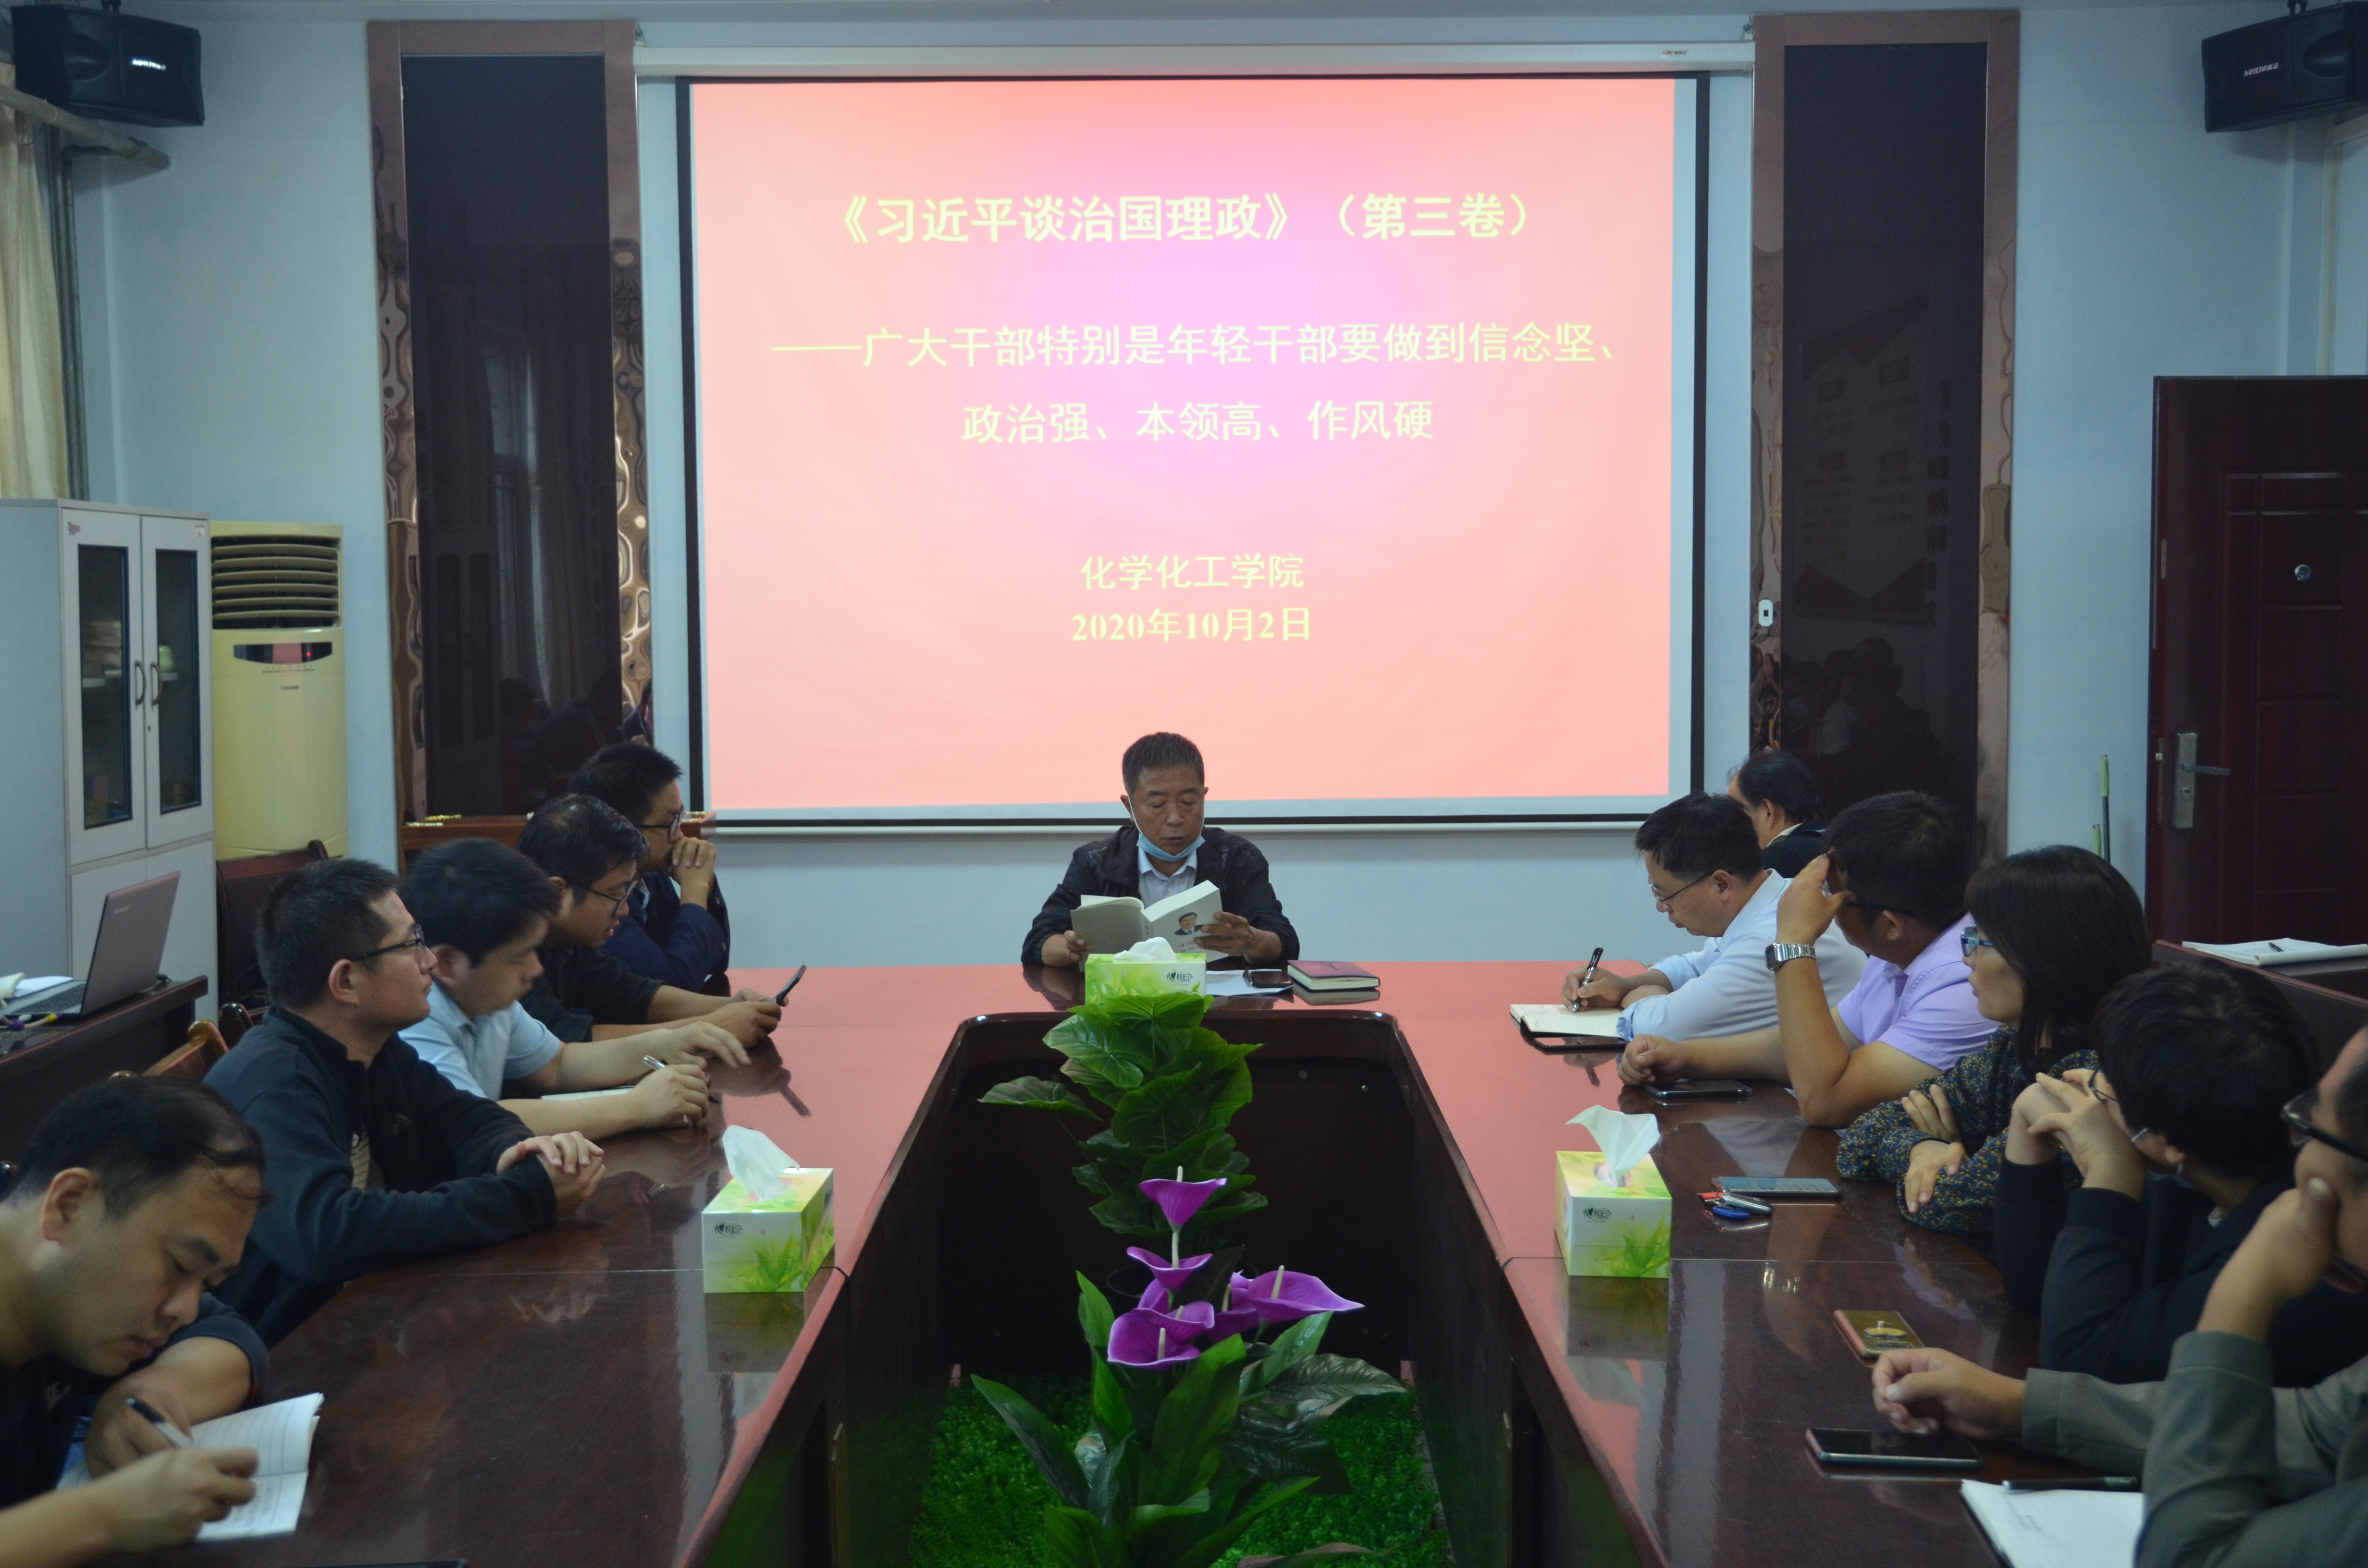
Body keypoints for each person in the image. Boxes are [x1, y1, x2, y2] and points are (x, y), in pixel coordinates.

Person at [1869, 1029, 2368, 1566]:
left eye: (2310, 1125)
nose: (2299, 1156)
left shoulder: (2294, 1273)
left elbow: (2187, 1557)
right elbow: (2307, 1430)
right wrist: (2017, 1409)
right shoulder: (2182, 1188)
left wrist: (2241, 1298)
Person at [205, 858, 606, 1342]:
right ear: (346, 982)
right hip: (283, 1349)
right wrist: (526, 1196)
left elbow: (469, 1120)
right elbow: (329, 1236)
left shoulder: (377, 1051)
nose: (429, 962)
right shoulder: (274, 1082)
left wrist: (518, 1154)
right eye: (411, 944)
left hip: (374, 1321)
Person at [1994, 963, 2368, 1386]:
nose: (2092, 1091)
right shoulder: (2194, 1169)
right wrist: (2028, 1141)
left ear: (2167, 1139)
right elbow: (2034, 1295)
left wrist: (2109, 1172)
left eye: (2106, 1081)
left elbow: (2077, 1357)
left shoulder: (2311, 1257)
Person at [0, 1079, 272, 1565]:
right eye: (180, 1267)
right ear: (69, 1206)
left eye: (207, 1283)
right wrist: (102, 1517)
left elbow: (227, 1333)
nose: (185, 1309)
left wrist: (151, 1391)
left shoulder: (62, 1301)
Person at [1618, 791, 1994, 1127]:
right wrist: (1686, 1057)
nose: (1820, 900)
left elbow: (1826, 1103)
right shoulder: (1901, 950)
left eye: (1831, 891)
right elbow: (1802, 1047)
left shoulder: (1964, 984)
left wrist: (1794, 941)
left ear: (1891, 925)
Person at [1834, 844, 2150, 1238]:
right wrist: (1923, 1149)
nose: (1967, 958)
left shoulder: (2091, 1079)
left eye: (1980, 941)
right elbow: (1862, 1137)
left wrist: (1950, 1166)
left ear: (2039, 957)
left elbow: (1946, 1204)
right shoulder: (2014, 1047)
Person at [398, 838, 750, 1142]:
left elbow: (557, 1064)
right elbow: (473, 1121)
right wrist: (636, 1106)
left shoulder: (483, 995)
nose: (536, 970)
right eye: (519, 958)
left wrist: (668, 1042)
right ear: (446, 963)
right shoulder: (416, 1017)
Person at [1558, 794, 1861, 1045]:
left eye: (1664, 894)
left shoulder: (1771, 938)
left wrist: (1640, 997)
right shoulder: (1770, 900)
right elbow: (1696, 965)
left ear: (1721, 885)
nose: (1662, 908)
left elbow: (1664, 1029)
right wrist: (1623, 985)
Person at [514, 796, 783, 1045]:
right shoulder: (509, 948)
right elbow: (561, 1042)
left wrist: (731, 1006)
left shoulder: (567, 939)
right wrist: (712, 1026)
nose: (624, 911)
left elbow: (632, 994)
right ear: (557, 892)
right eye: (615, 895)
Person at [1025, 733, 1297, 968]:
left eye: (1189, 802)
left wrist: (1251, 942)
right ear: (1130, 807)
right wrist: (1069, 949)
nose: (1176, 818)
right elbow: (1039, 941)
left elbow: (1283, 942)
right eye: (1157, 806)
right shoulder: (1096, 862)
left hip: (1215, 1004)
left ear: (1204, 797)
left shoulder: (1237, 858)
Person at [568, 743, 732, 995]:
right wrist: (695, 890)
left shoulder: (652, 875)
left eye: (680, 819)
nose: (680, 836)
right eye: (670, 823)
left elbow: (716, 961)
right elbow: (675, 987)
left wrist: (706, 890)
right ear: (622, 827)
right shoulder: (597, 898)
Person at [1727, 749, 1828, 877]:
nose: (1733, 828)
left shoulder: (1776, 861)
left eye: (1736, 815)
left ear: (1768, 812)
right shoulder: (1840, 843)